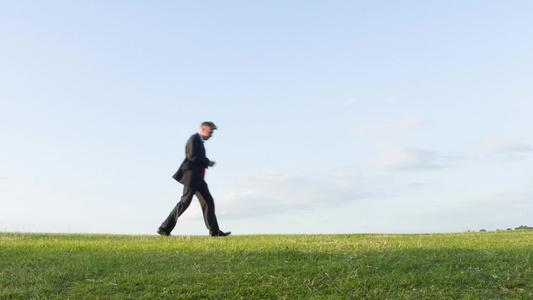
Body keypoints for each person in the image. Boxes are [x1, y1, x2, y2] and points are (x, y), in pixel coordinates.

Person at [157, 121, 231, 237]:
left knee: (208, 202)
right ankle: (164, 228)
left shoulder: (199, 141)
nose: (211, 135)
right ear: (202, 130)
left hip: (198, 179)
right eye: (210, 132)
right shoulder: (194, 139)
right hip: (191, 178)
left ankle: (214, 231)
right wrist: (207, 162)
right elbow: (191, 156)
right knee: (184, 203)